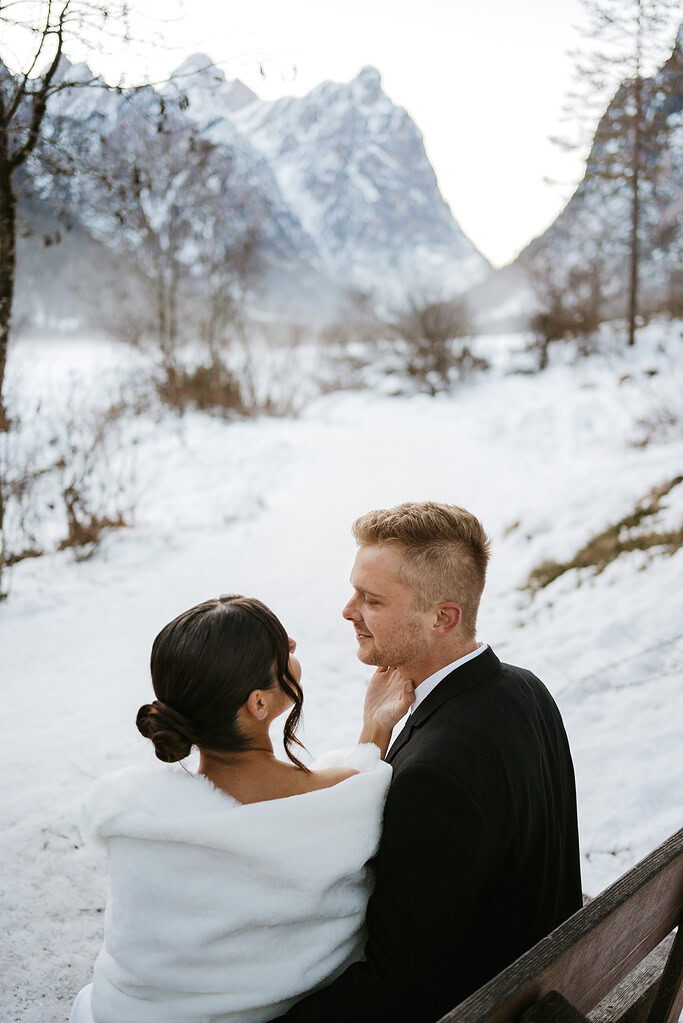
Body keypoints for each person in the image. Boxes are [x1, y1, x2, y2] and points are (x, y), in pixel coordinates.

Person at [275, 501, 583, 1023]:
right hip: (548, 983)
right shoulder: (524, 688)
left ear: (443, 617)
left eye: (371, 600)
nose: (348, 611)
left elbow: (401, 989)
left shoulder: (434, 775)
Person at [69, 594, 405, 1023]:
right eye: (281, 651)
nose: (294, 645)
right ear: (259, 704)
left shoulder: (143, 821)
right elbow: (358, 793)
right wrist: (376, 726)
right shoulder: (329, 802)